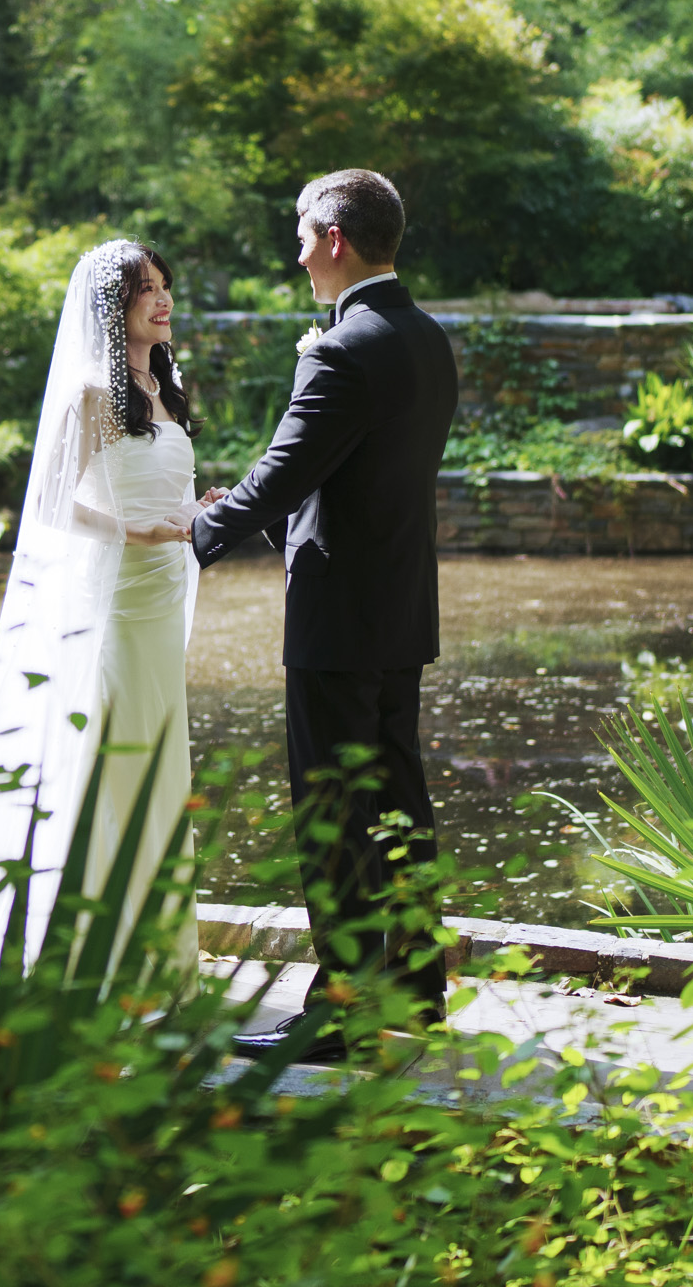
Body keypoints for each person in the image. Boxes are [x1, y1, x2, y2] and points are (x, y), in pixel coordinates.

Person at [190, 169, 458, 1061]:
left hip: (339, 621)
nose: (297, 252)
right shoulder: (425, 338)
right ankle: (418, 992)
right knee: (398, 806)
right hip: (400, 612)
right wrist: (267, 514)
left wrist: (204, 530)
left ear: (336, 239)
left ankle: (339, 1011)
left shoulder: (343, 348)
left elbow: (288, 468)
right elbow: (356, 480)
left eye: (303, 235)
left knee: (336, 817)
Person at [0, 238, 218, 981]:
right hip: (116, 606)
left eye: (165, 285)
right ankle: (90, 959)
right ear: (113, 305)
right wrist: (132, 529)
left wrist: (195, 510)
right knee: (110, 758)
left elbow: (157, 494)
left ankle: (159, 957)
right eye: (146, 289)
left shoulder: (164, 390)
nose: (163, 300)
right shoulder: (91, 395)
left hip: (163, 598)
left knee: (160, 758)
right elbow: (52, 508)